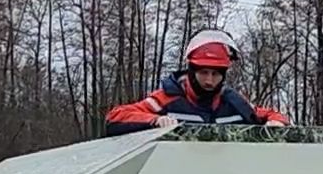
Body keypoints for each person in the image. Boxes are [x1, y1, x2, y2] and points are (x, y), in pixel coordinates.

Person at [103, 29, 290, 135]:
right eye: (204, 72)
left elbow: (271, 115)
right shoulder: (166, 99)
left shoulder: (234, 103)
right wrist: (155, 120)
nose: (209, 80)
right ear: (192, 70)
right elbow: (116, 116)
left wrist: (277, 122)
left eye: (216, 74)